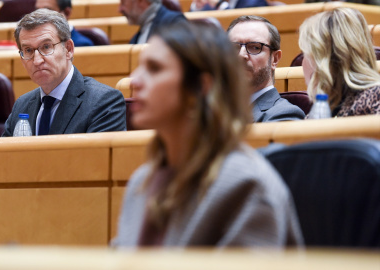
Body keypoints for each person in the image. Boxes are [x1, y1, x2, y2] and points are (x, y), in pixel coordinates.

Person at [113, 21, 303, 247]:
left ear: (200, 87)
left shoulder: (246, 185)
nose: (135, 80)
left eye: (155, 68)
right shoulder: (142, 181)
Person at [2, 9, 126, 136]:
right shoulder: (21, 105)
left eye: (46, 47)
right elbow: (4, 155)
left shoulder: (104, 102)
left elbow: (96, 156)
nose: (37, 60)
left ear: (68, 49)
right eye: (28, 50)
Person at [299, 7, 380, 117]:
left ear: (324, 60)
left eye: (305, 52)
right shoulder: (321, 108)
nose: (303, 61)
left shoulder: (373, 99)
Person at [227, 15, 305, 122]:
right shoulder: (214, 110)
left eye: (255, 47)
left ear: (275, 59)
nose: (241, 55)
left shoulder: (284, 114)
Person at [118, 0, 187, 44]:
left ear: (140, 1)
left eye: (123, 3)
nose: (119, 9)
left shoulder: (174, 23)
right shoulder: (135, 39)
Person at [190, 0, 267, 12]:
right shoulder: (210, 4)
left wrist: (220, 4)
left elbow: (241, 25)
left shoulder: (255, 3)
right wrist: (197, 7)